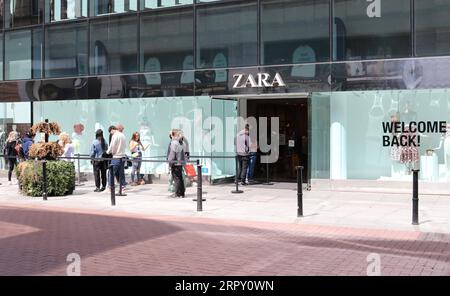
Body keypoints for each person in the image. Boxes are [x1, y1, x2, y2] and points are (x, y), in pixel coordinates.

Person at [107, 125, 127, 192]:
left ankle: (110, 187)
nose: (111, 133)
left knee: (111, 172)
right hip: (123, 156)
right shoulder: (123, 135)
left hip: (116, 156)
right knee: (121, 173)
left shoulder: (115, 135)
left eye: (110, 132)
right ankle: (123, 186)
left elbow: (112, 146)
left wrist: (107, 152)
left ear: (113, 129)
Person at [167, 129, 185, 198]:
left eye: (170, 134)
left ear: (173, 135)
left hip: (175, 163)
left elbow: (172, 155)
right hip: (180, 162)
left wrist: (169, 162)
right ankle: (181, 193)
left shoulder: (173, 143)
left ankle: (177, 193)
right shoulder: (181, 142)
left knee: (176, 178)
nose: (170, 135)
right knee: (180, 178)